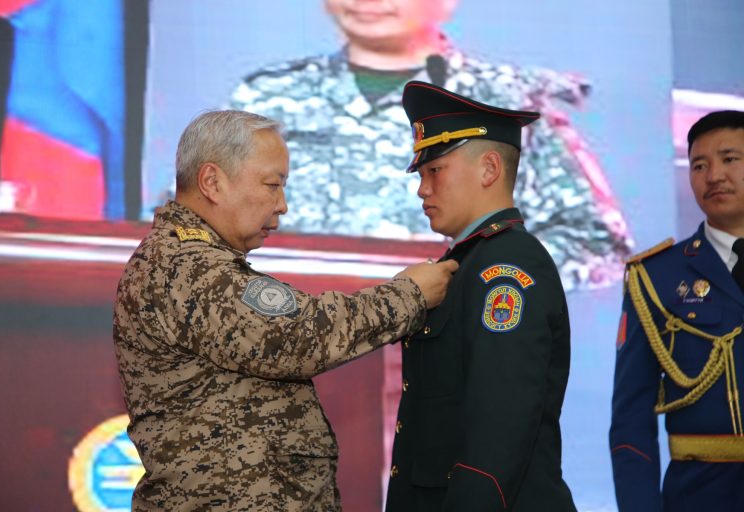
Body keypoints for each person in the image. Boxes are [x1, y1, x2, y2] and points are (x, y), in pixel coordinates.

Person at [112, 109, 458, 511]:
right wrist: (410, 295)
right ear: (212, 182)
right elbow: (298, 335)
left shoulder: (192, 260)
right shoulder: (185, 266)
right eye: (272, 185)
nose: (282, 205)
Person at [227, 0, 632, 292]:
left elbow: (594, 241)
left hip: (439, 354)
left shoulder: (506, 99)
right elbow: (199, 222)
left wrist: (475, 279)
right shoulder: (268, 96)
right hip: (285, 351)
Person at [384, 81, 576, 511]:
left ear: (489, 169)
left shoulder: (505, 267)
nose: (422, 189)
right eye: (421, 174)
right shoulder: (468, 262)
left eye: (435, 170)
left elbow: (500, 425)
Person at [609, 110, 744, 511]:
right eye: (699, 165)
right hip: (701, 495)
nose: (713, 175)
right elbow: (631, 418)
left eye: (729, 159)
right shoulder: (657, 277)